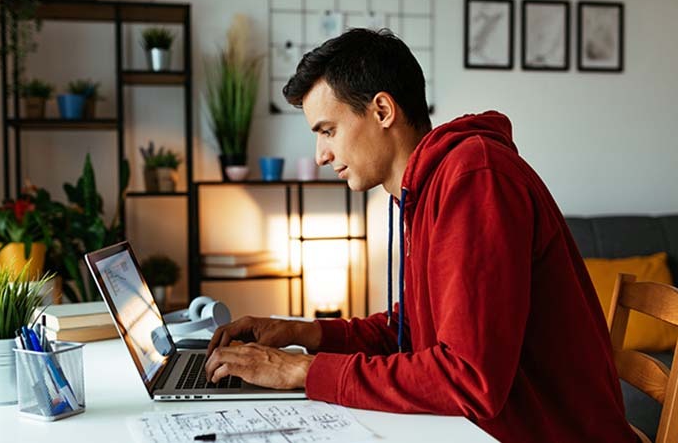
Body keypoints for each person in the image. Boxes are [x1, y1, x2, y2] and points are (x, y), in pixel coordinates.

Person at [205, 28, 637, 443]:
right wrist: (298, 333)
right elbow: (408, 332)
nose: (320, 156)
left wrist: (300, 371)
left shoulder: (474, 179)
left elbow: (469, 379)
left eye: (327, 131)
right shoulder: (426, 190)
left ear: (382, 111)